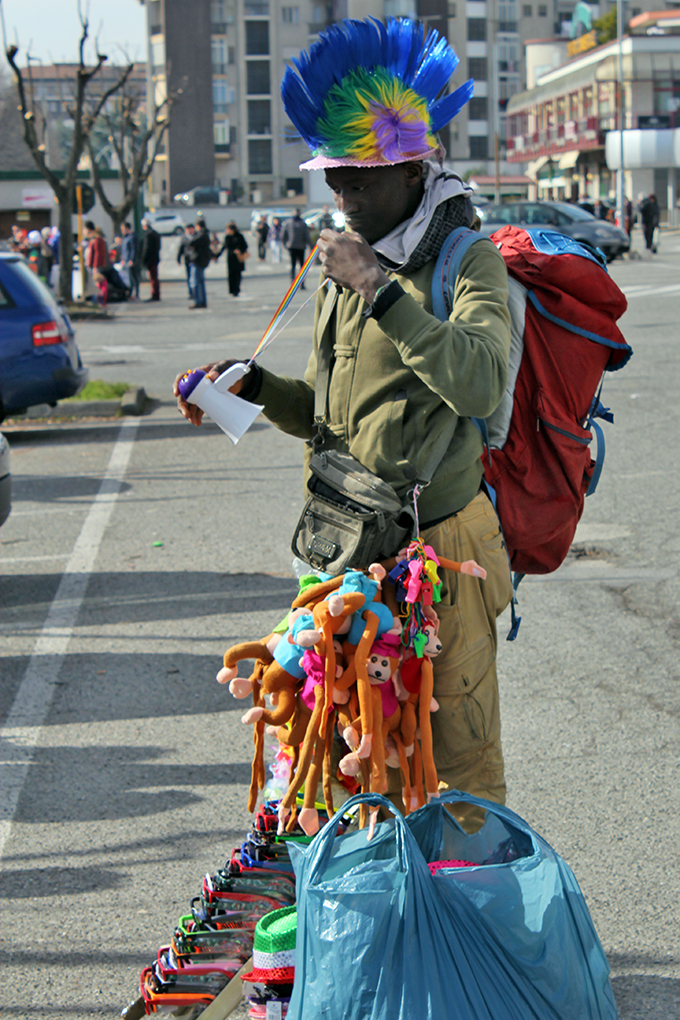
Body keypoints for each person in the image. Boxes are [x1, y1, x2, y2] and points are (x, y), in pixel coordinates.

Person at [175, 18, 512, 833]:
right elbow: (331, 420)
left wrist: (381, 292)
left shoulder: (466, 258)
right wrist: (251, 389)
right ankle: (380, 930)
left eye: (358, 181)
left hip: (441, 556)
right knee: (353, 753)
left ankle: (470, 936)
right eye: (334, 180)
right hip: (344, 554)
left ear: (408, 167)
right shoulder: (345, 261)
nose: (342, 198)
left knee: (454, 761)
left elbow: (480, 378)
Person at [215, 221, 248, 297]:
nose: (227, 231)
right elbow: (223, 247)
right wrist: (216, 256)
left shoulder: (239, 236)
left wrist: (239, 250)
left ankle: (237, 289)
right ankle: (231, 290)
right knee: (231, 274)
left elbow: (245, 246)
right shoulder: (227, 237)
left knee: (238, 274)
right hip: (230, 258)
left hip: (238, 258)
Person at [186, 218, 213, 308]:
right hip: (202, 260)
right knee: (200, 282)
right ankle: (202, 300)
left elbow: (191, 242)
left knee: (195, 282)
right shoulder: (206, 234)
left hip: (198, 260)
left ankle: (198, 301)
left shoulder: (202, 235)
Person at [281, 208, 312, 287]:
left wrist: (285, 243)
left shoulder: (291, 223)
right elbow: (307, 236)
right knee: (297, 265)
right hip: (297, 246)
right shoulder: (298, 223)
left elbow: (283, 235)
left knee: (294, 265)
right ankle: (299, 282)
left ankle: (295, 282)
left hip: (295, 246)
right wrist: (310, 245)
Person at [140, 217, 162, 301]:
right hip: (155, 258)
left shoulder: (147, 235)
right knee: (155, 277)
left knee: (152, 278)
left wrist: (143, 259)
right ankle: (156, 293)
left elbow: (146, 248)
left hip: (150, 259)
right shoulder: (156, 233)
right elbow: (159, 247)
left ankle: (155, 294)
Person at [120, 222, 140, 299]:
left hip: (130, 261)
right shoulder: (125, 238)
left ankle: (136, 293)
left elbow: (133, 249)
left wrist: (132, 259)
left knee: (133, 277)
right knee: (129, 277)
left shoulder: (132, 237)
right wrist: (122, 259)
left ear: (127, 228)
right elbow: (123, 249)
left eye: (123, 229)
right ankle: (131, 292)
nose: (122, 231)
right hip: (125, 260)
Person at [177, 223, 196, 299]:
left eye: (190, 229)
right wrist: (178, 258)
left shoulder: (196, 236)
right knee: (189, 276)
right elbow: (181, 248)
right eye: (187, 229)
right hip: (187, 259)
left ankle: (196, 292)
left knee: (195, 276)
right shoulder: (184, 238)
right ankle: (191, 292)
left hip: (195, 259)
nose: (188, 231)